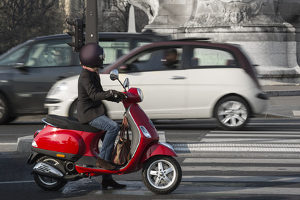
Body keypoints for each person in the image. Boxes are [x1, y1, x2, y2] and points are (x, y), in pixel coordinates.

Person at [77, 43, 126, 190]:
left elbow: (100, 93)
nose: (102, 58)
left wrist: (118, 96)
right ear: (94, 58)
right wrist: (110, 93)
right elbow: (94, 95)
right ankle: (102, 162)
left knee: (109, 140)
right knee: (113, 127)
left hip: (95, 111)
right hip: (89, 114)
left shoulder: (92, 74)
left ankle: (107, 179)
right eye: (100, 56)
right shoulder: (86, 76)